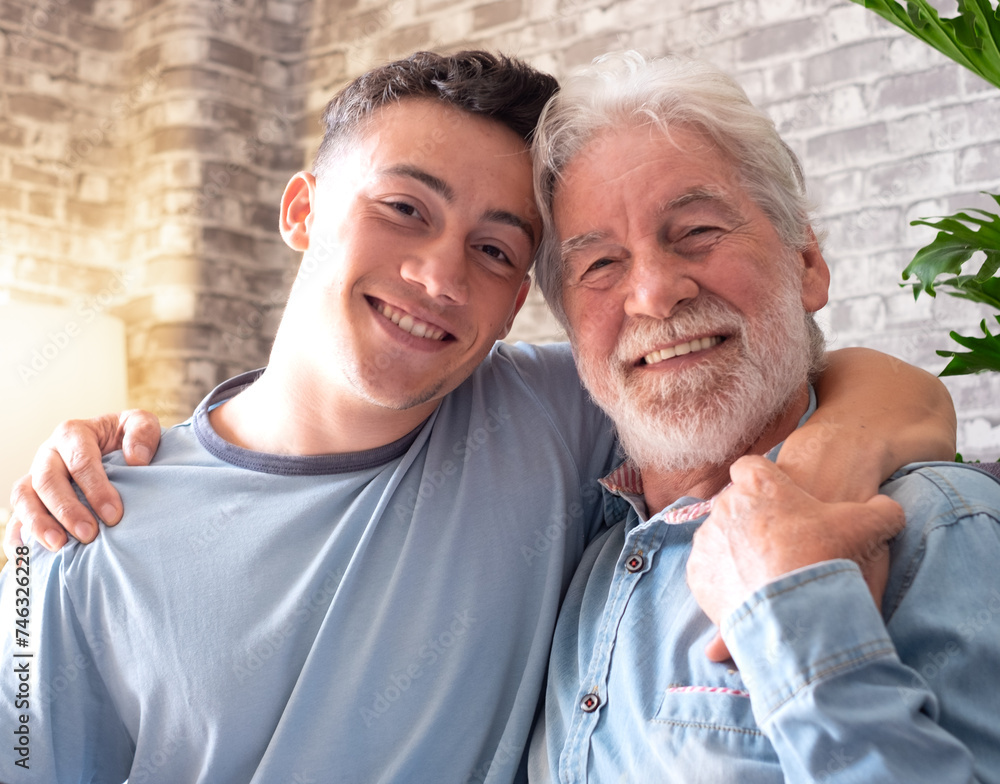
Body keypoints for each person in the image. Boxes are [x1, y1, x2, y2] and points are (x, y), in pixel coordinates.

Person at [0, 50, 955, 783]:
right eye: (404, 208)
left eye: (498, 251)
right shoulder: (76, 524)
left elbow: (860, 380)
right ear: (303, 209)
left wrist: (810, 483)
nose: (440, 277)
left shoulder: (553, 416)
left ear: (520, 305)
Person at [525, 51, 1000, 783]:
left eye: (697, 232)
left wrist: (796, 622)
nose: (653, 293)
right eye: (600, 266)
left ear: (807, 261)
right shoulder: (579, 553)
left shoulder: (937, 526)